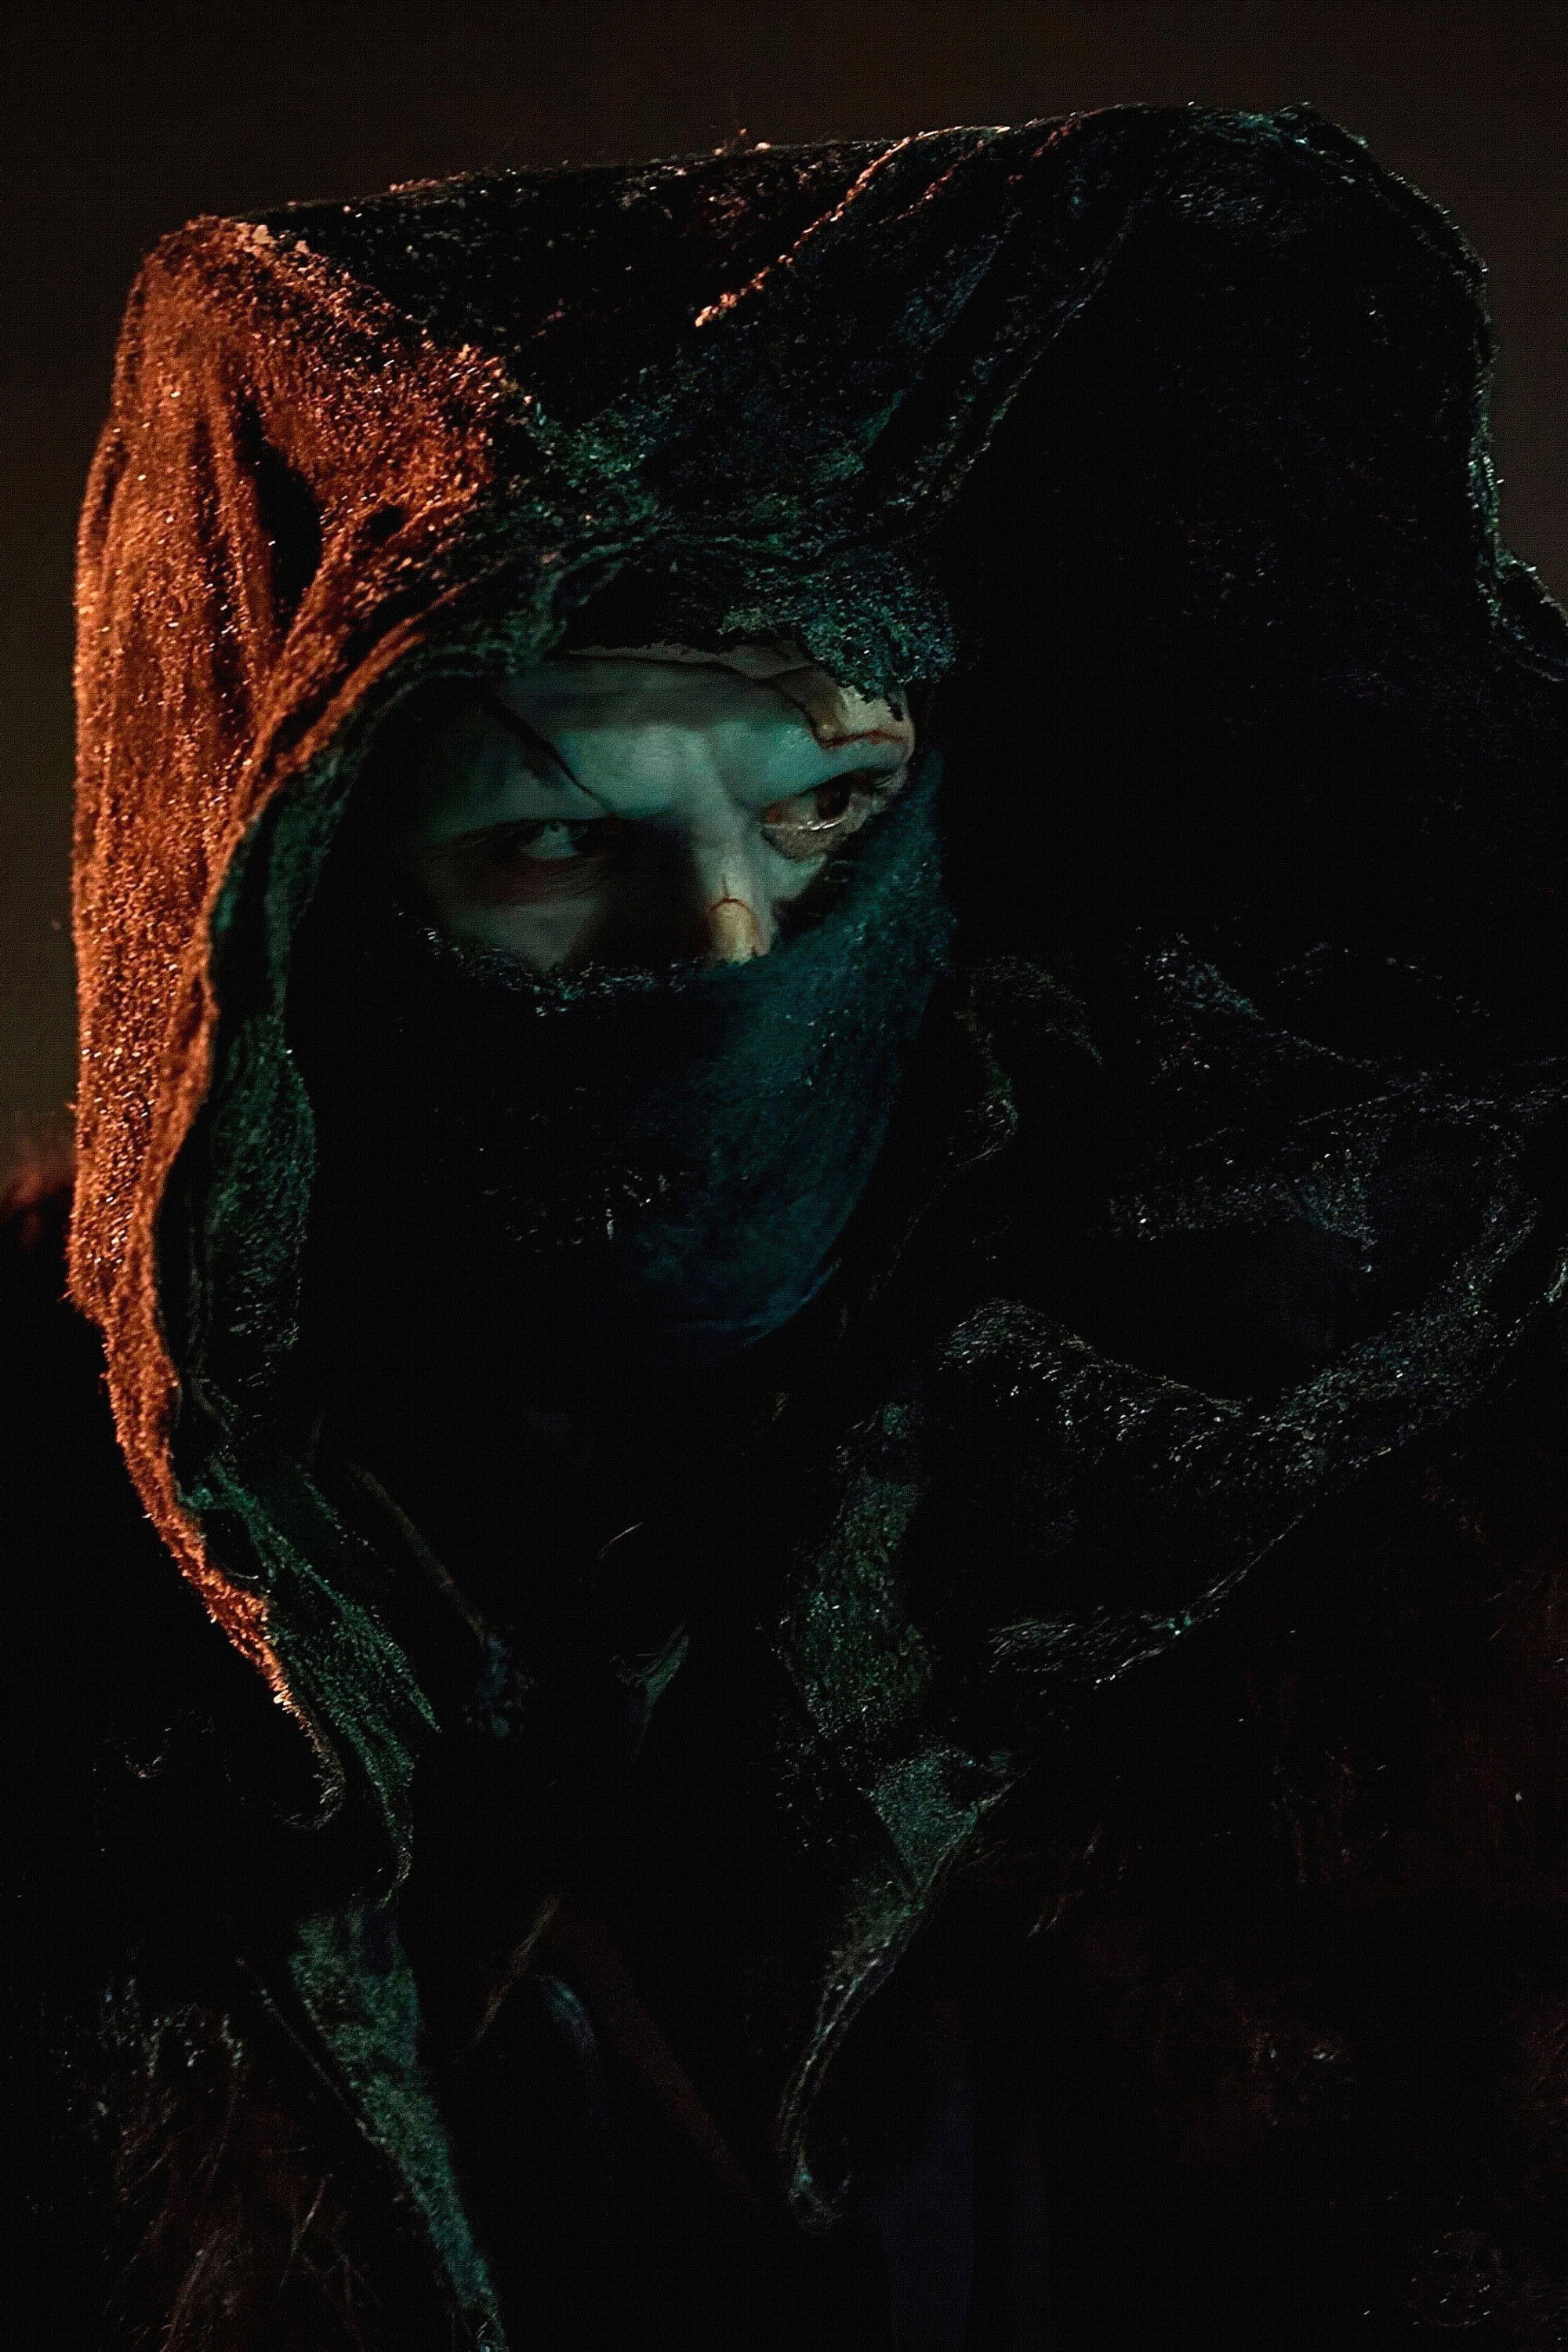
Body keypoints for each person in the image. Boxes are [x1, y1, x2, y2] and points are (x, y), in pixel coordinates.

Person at [11, 105, 1567, 2349]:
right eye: (558, 843)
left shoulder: (1288, 1445)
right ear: (303, 902)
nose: (731, 946)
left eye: (829, 804)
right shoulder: (73, 1597)